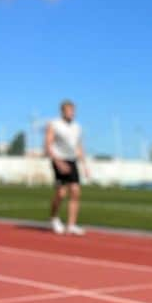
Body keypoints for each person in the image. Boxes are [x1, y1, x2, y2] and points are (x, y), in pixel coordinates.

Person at [46, 100, 87, 235]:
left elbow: (79, 146)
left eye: (73, 111)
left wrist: (85, 165)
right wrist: (58, 162)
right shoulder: (54, 124)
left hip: (72, 160)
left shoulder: (77, 127)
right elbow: (48, 144)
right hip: (59, 159)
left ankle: (71, 225)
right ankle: (54, 218)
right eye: (69, 111)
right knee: (61, 193)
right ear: (62, 112)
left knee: (75, 191)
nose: (72, 113)